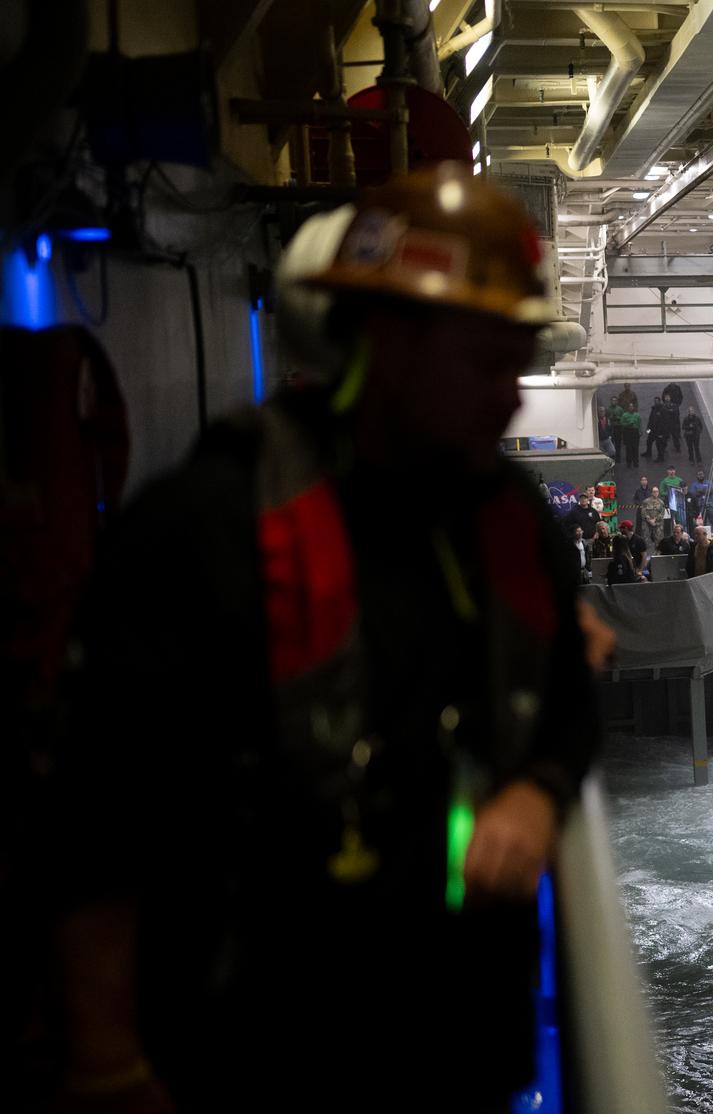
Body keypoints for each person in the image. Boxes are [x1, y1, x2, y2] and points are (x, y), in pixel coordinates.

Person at [48, 164, 600, 1111]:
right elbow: (101, 813)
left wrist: (541, 791)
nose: (513, 399)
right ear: (386, 341)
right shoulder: (209, 531)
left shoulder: (508, 523)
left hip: (457, 1051)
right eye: (486, 363)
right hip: (264, 1053)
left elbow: (569, 685)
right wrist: (105, 1061)